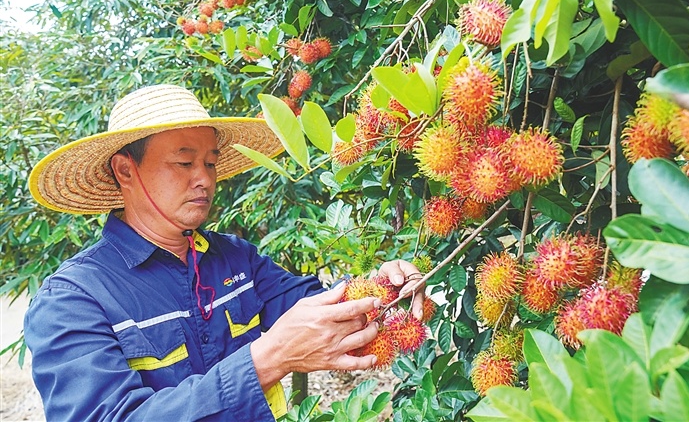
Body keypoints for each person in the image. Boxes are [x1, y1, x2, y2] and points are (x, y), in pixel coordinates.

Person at [24, 84, 424, 421]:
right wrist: (267, 359)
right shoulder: (73, 299)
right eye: (184, 162)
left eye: (210, 163)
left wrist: (383, 289)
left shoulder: (235, 259)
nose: (203, 179)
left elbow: (317, 305)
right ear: (126, 170)